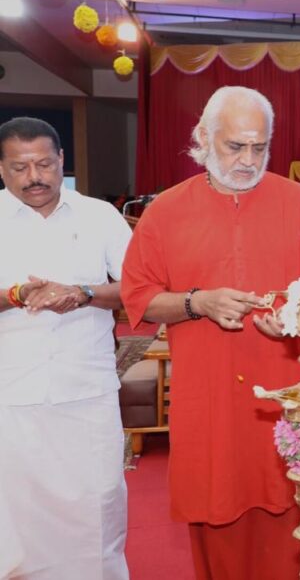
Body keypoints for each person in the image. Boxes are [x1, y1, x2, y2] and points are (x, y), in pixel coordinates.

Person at [120, 86, 300, 580]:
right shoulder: (167, 211)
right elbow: (138, 296)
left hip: (286, 398)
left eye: (259, 147)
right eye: (235, 146)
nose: (248, 160)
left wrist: (296, 311)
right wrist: (195, 302)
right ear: (203, 137)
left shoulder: (298, 201)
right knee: (216, 516)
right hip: (210, 399)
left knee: (293, 511)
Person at [0, 116, 132, 578]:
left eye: (42, 164)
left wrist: (83, 292)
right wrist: (16, 295)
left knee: (99, 509)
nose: (33, 177)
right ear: (1, 169)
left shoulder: (100, 216)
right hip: (13, 395)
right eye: (19, 167)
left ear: (61, 160)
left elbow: (139, 288)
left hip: (87, 393)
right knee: (15, 523)